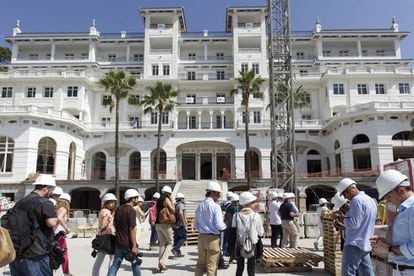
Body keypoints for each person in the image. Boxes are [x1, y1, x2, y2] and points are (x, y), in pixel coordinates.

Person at [8, 174, 59, 276]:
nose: (51, 193)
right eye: (51, 190)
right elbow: (51, 223)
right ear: (45, 189)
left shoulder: (21, 201)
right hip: (37, 253)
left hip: (17, 251)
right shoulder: (45, 202)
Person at [371, 170, 414, 275]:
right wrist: (385, 243)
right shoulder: (404, 210)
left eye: (389, 196)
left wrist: (388, 249)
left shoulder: (412, 210)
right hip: (401, 270)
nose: (388, 201)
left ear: (401, 191)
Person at [336, 178, 377, 276]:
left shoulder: (356, 200)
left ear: (349, 190)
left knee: (347, 273)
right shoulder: (369, 199)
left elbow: (354, 223)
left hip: (354, 243)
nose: (346, 198)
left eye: (344, 194)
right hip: (365, 243)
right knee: (367, 273)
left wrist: (343, 219)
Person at [194, 181, 227, 276]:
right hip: (213, 238)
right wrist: (225, 226)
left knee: (200, 264)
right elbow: (219, 224)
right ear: (212, 193)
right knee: (211, 267)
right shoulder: (215, 207)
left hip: (201, 237)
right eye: (218, 194)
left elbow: (195, 224)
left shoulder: (200, 206)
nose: (219, 196)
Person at [107, 189, 141, 276]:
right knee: (135, 263)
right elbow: (132, 229)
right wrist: (134, 245)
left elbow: (114, 223)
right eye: (137, 198)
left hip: (119, 242)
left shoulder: (119, 209)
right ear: (133, 199)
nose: (138, 200)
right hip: (128, 243)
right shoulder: (131, 211)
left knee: (115, 264)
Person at [231, 192, 264, 276]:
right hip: (252, 243)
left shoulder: (236, 216)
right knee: (251, 268)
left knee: (239, 268)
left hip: (239, 244)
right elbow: (261, 232)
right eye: (253, 202)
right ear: (249, 203)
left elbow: (233, 230)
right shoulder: (256, 216)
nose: (255, 203)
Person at [92, 193, 117, 276]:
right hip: (108, 237)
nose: (112, 204)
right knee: (112, 258)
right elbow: (103, 225)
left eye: (113, 202)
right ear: (106, 203)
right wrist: (108, 221)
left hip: (104, 236)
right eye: (111, 202)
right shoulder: (106, 212)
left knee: (100, 259)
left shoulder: (103, 211)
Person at [155, 186, 174, 272]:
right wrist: (172, 201)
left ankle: (160, 265)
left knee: (162, 243)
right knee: (170, 242)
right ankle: (163, 261)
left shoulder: (158, 200)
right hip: (165, 223)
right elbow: (172, 210)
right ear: (169, 193)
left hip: (157, 223)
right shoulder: (166, 199)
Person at [54, 193, 72, 276]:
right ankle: (66, 272)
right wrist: (66, 228)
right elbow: (59, 218)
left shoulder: (56, 208)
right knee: (64, 253)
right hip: (59, 233)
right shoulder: (63, 208)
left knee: (54, 252)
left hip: (53, 233)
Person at [172, 192, 187, 257]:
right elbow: (181, 213)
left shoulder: (174, 204)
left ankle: (177, 253)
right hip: (180, 224)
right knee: (184, 237)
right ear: (181, 199)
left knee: (177, 238)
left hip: (174, 224)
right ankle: (175, 249)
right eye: (183, 198)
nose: (184, 200)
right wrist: (183, 223)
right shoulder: (181, 205)